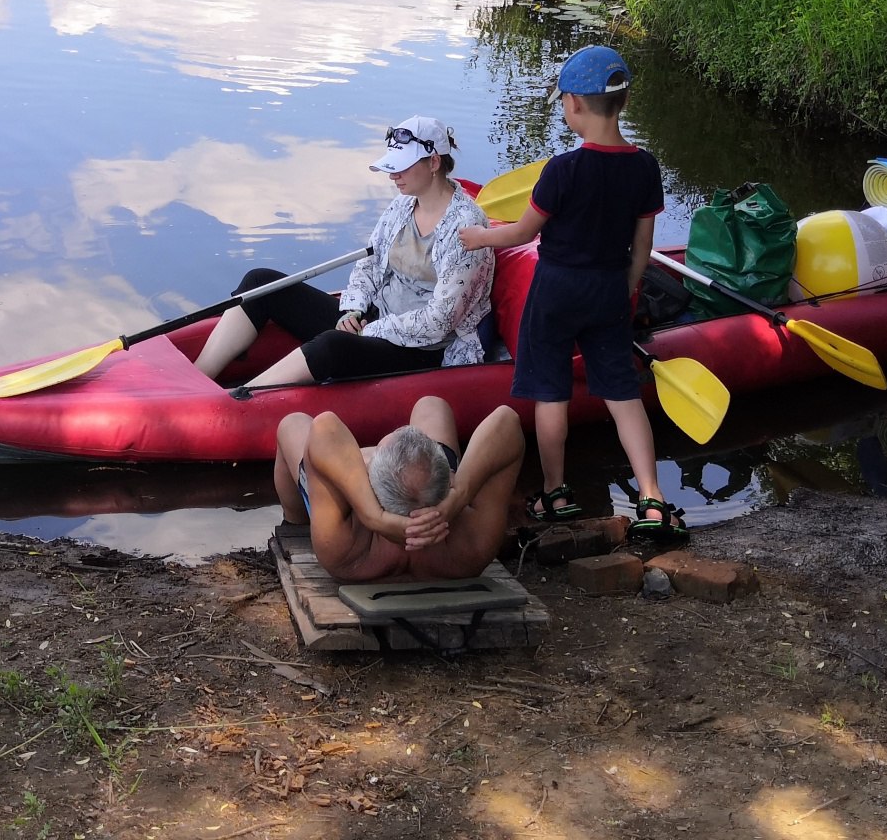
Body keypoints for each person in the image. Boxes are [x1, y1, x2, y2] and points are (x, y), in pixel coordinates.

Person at [459, 45, 686, 541]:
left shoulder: (562, 170)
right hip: (609, 287)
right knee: (623, 395)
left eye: (563, 100)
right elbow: (643, 244)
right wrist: (625, 289)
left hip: (556, 288)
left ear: (575, 105)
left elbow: (521, 234)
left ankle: (555, 493)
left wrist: (478, 237)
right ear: (621, 103)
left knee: (551, 393)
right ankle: (653, 498)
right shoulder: (645, 167)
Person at [195, 116, 495, 388]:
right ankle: (197, 379)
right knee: (260, 281)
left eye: (402, 166)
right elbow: (369, 263)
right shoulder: (404, 204)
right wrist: (353, 310)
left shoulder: (466, 227)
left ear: (433, 163)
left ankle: (238, 399)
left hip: (421, 350)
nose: (393, 175)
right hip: (374, 322)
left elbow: (438, 322)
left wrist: (371, 330)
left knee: (331, 346)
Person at [273, 396, 524, 582]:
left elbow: (324, 427)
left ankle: (293, 523)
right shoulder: (471, 549)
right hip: (443, 551)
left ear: (369, 483)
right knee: (430, 404)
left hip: (364, 545)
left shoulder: (343, 550)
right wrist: (459, 496)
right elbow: (507, 420)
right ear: (449, 480)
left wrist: (374, 516)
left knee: (292, 422)